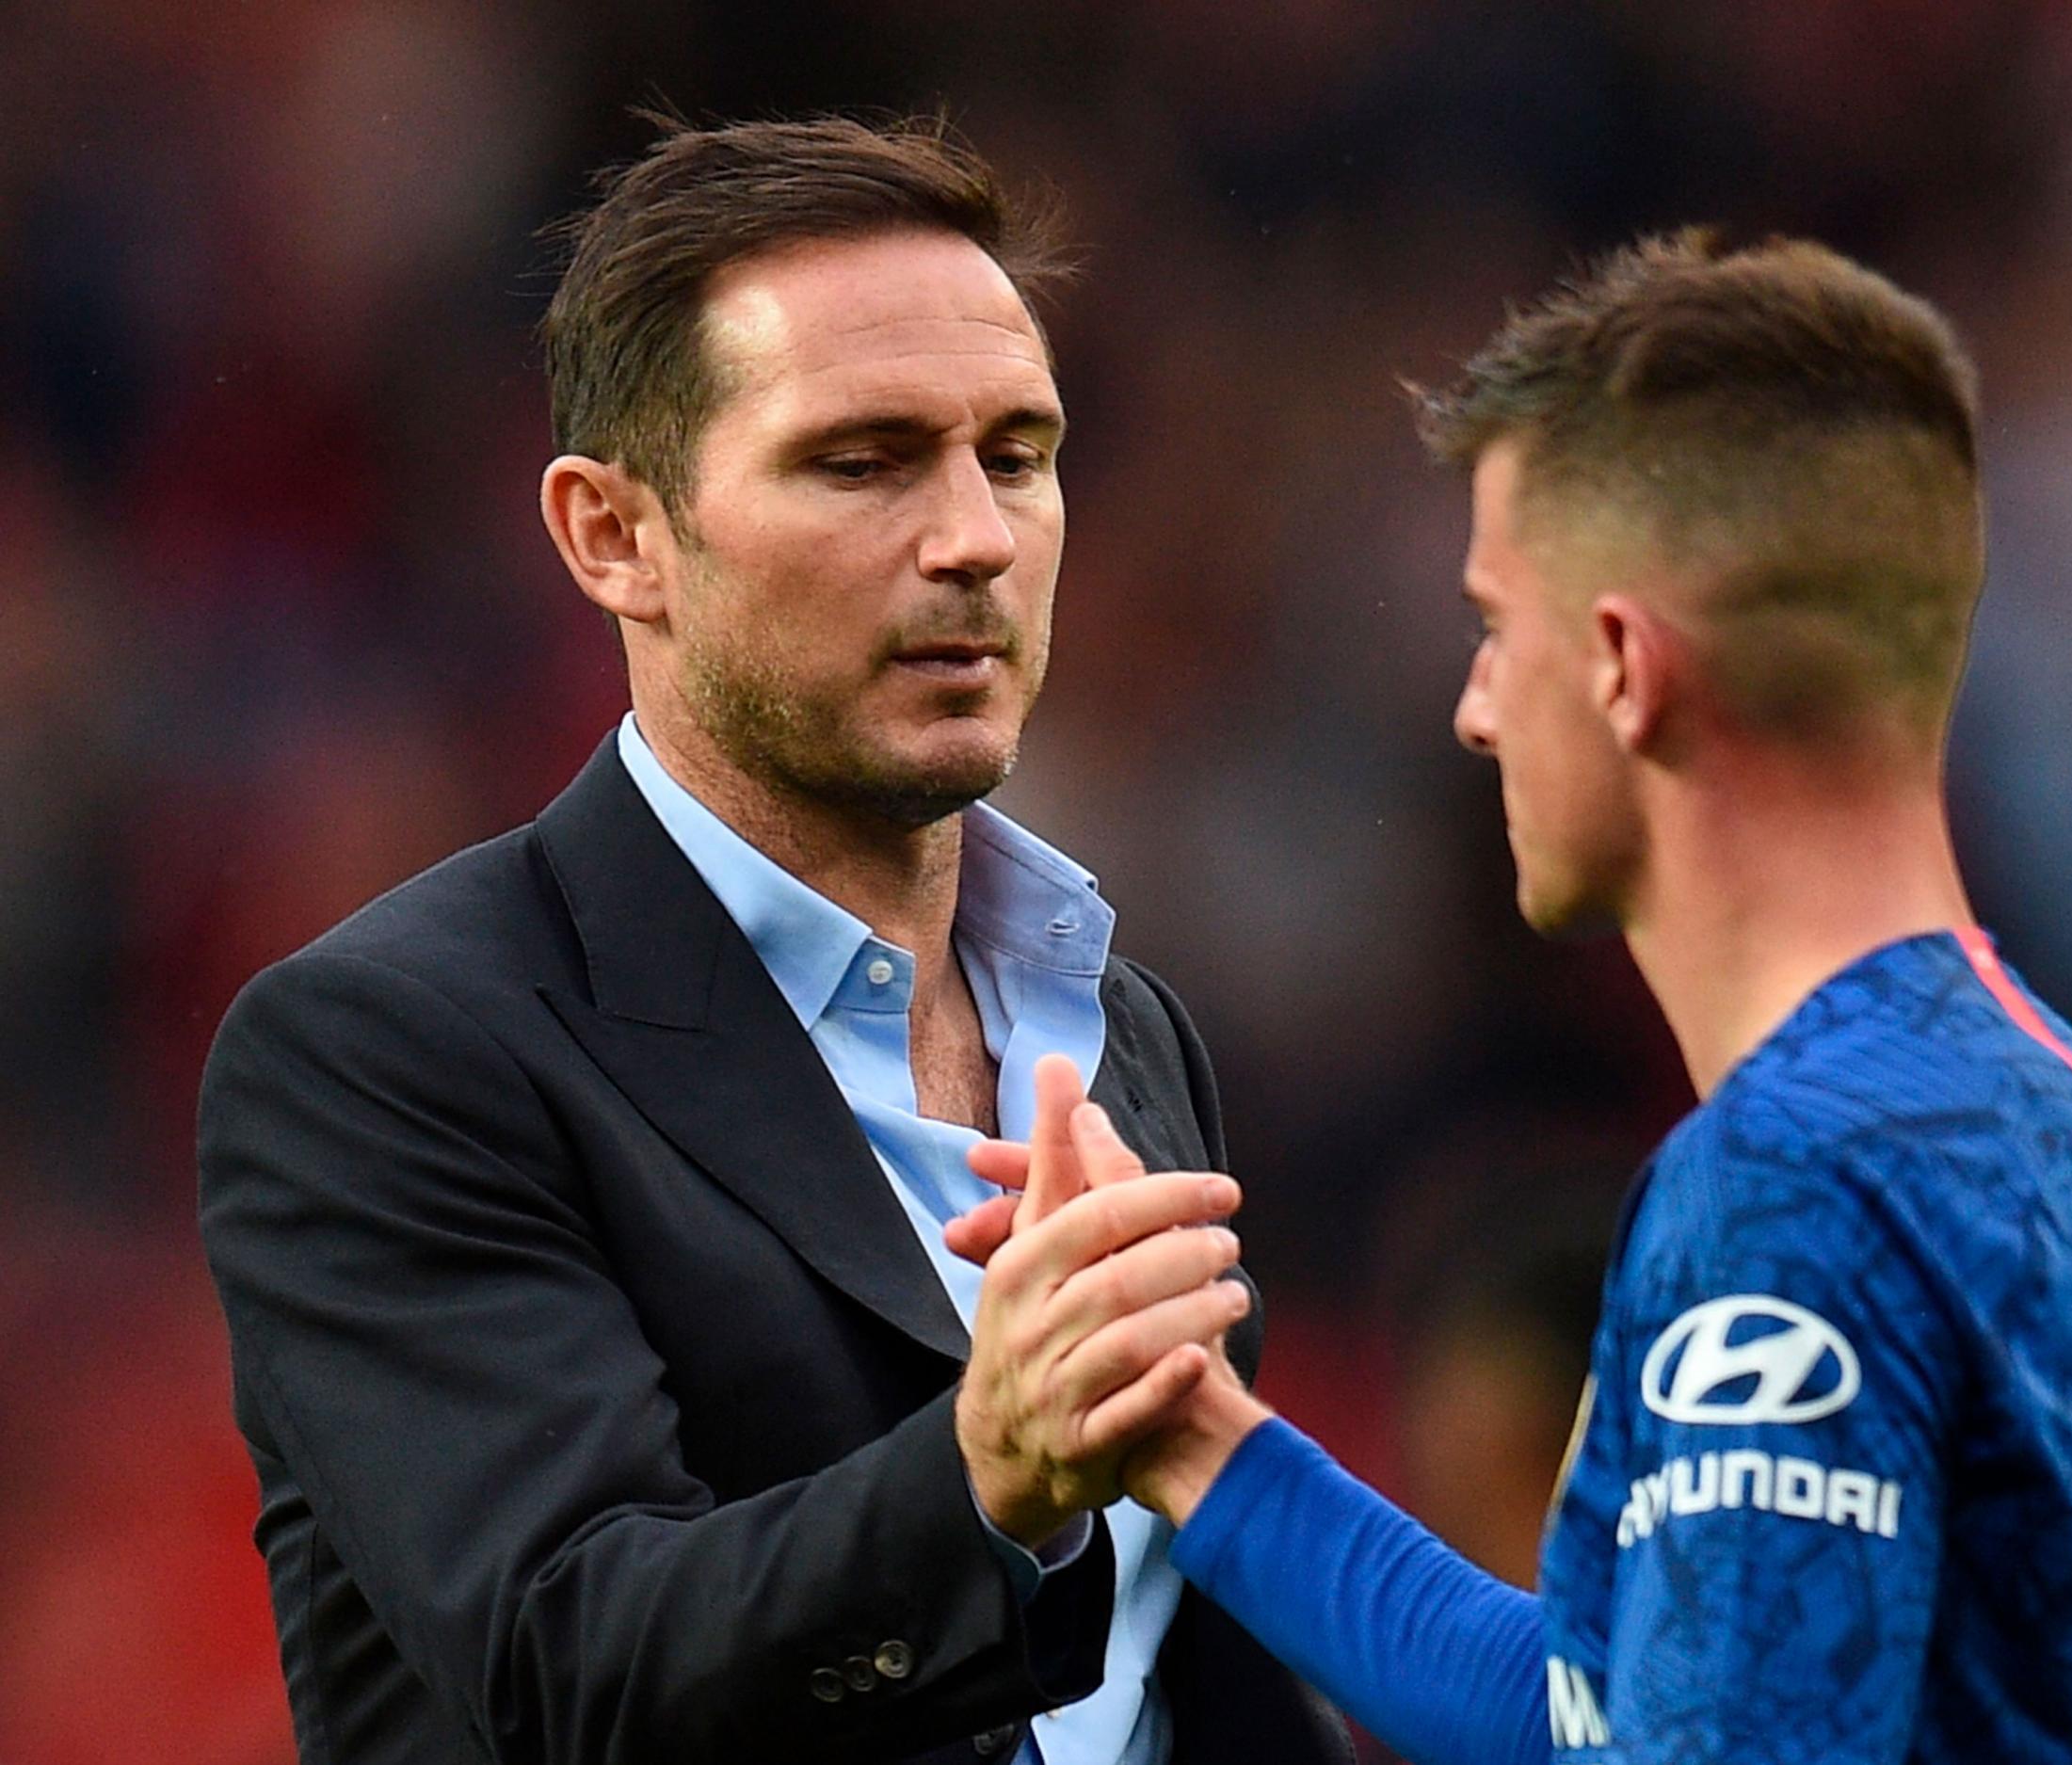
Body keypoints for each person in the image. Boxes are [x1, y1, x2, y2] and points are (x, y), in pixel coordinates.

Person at [954, 232, 2072, 1763]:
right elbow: (1609, 1709)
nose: (1475, 705)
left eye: (1498, 628)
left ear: (1627, 667)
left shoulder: (1801, 1186)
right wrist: (1188, 1429)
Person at [195, 114, 1351, 1765]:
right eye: (861, 461)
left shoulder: (1126, 1026)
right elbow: (568, 1664)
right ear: (615, 535)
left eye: (1016, 454)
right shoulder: (392, 1049)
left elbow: (1189, 1663)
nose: (976, 540)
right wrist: (986, 1478)